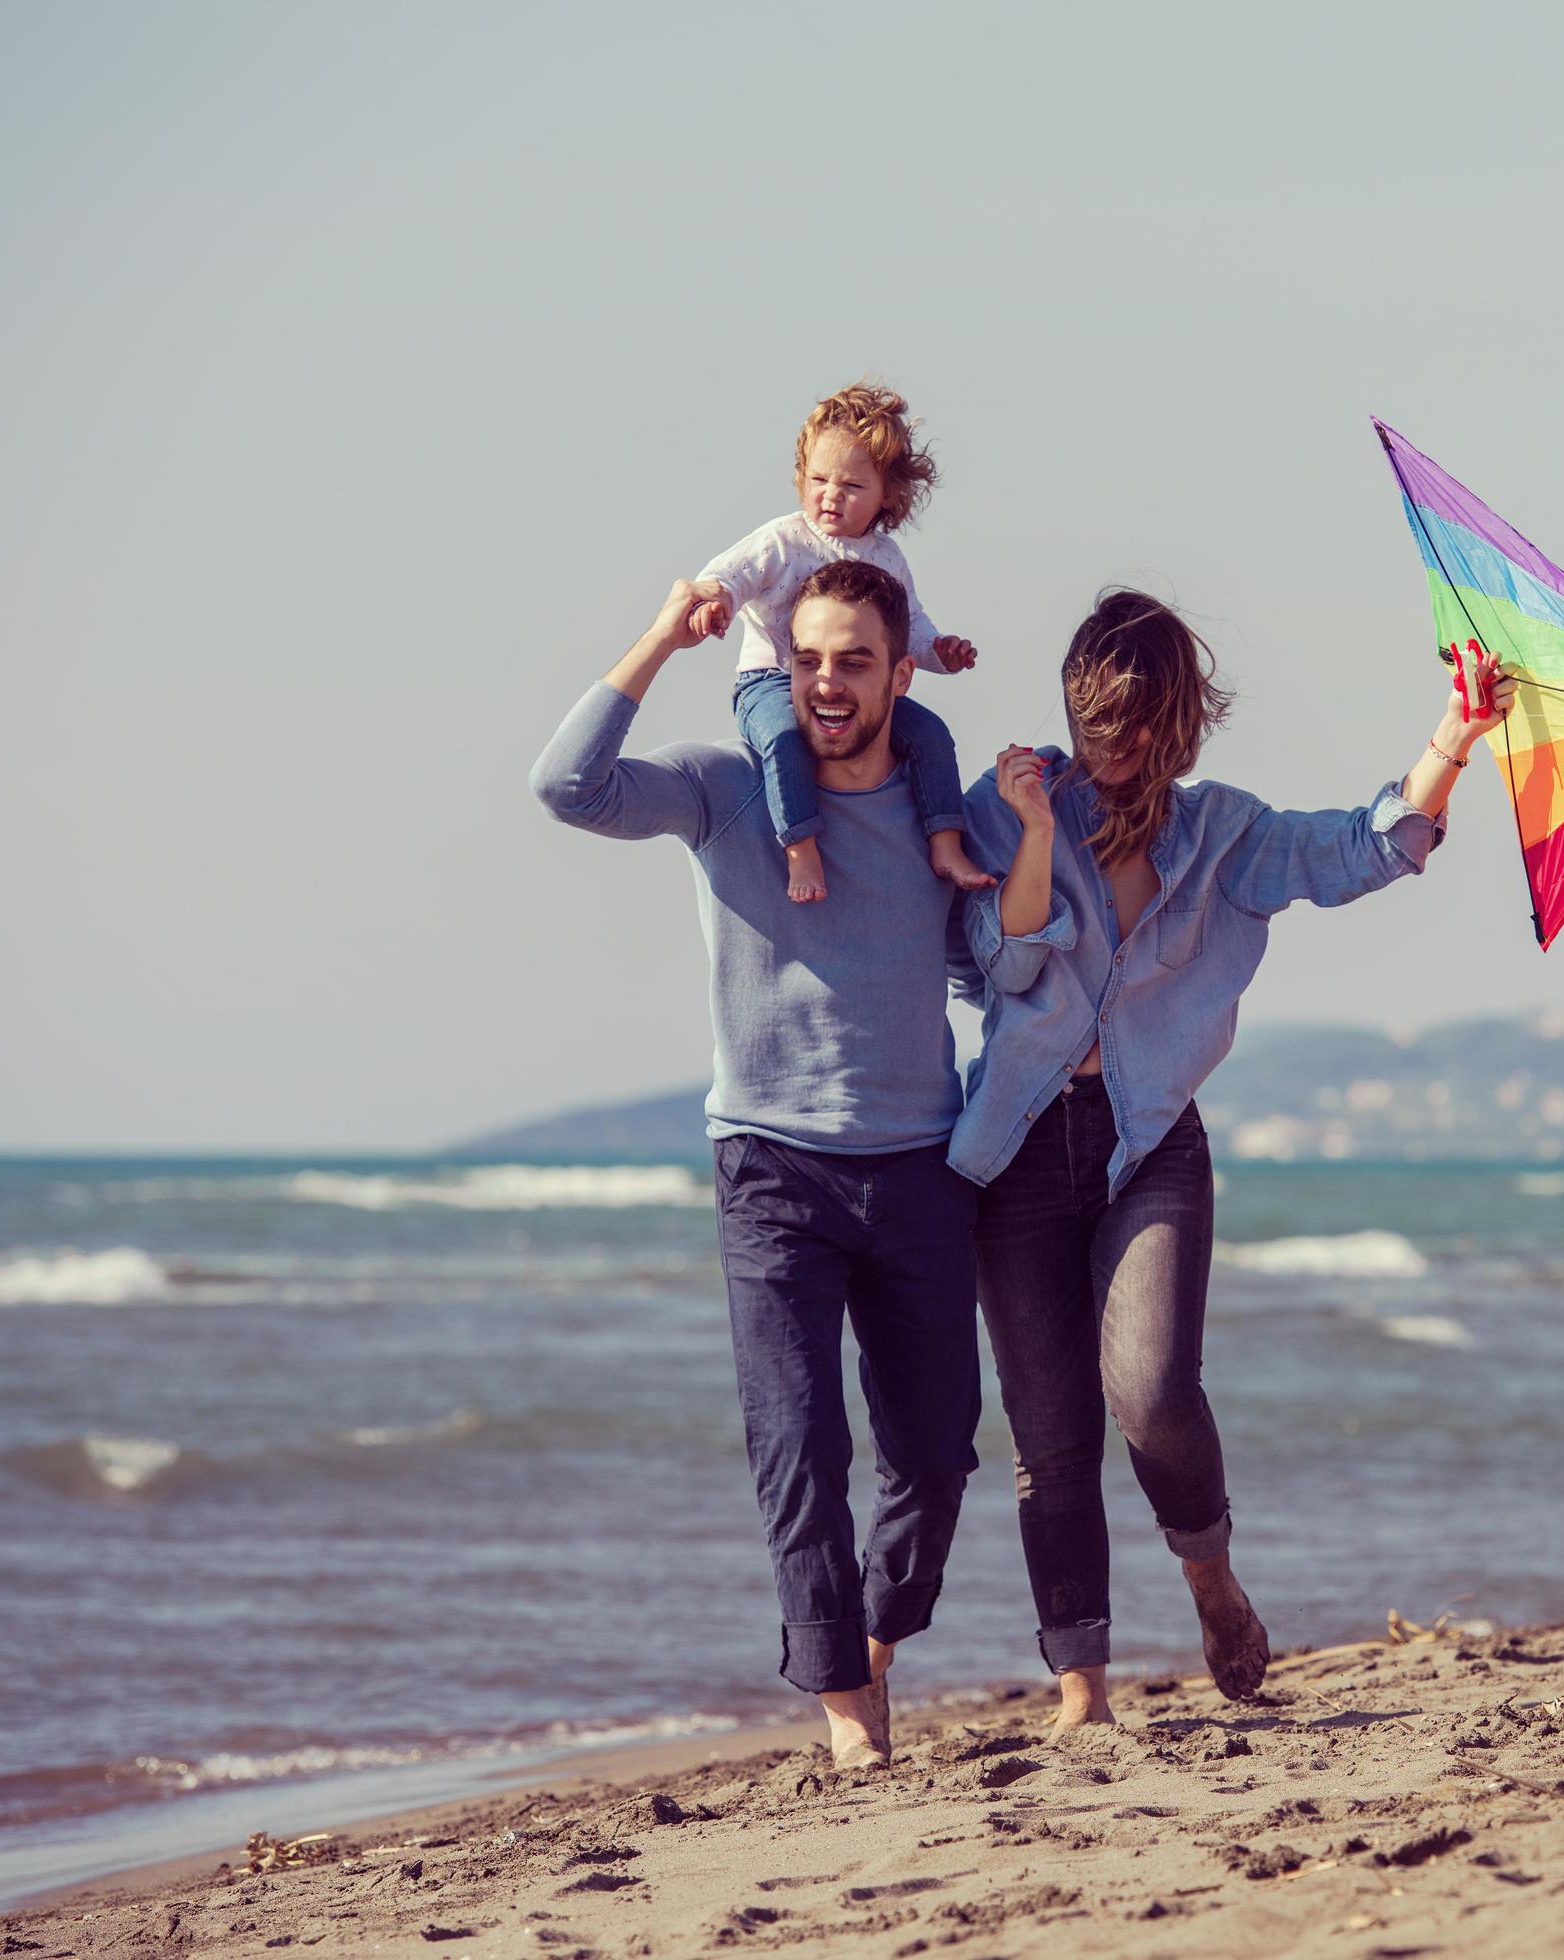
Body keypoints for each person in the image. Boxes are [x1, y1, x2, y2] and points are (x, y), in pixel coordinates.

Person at [949, 590, 1514, 1730]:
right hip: (1016, 1147)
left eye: (1138, 727)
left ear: (1180, 725)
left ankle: (1211, 1579)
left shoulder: (1224, 834)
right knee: (1049, 1435)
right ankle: (1082, 1692)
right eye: (1095, 724)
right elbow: (998, 973)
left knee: (1153, 1394)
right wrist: (1042, 835)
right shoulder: (1011, 807)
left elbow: (1366, 848)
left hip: (1152, 1137)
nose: (1113, 750)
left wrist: (1452, 740)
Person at [530, 559, 1055, 1768]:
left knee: (937, 1448)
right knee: (799, 1441)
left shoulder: (938, 821)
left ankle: (873, 1646)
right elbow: (565, 785)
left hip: (918, 1163)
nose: (827, 680)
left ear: (899, 672)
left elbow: (999, 967)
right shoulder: (723, 789)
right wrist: (664, 629)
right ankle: (843, 1709)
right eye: (807, 657)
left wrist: (1026, 862)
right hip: (771, 1166)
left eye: (854, 659)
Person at [686, 382, 991, 904]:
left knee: (931, 733)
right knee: (784, 739)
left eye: (851, 485)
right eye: (818, 478)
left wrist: (940, 651)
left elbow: (908, 627)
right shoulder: (782, 540)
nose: (830, 495)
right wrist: (716, 601)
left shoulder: (887, 558)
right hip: (771, 680)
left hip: (859, 688)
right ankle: (801, 846)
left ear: (888, 495)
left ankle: (944, 840)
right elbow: (729, 575)